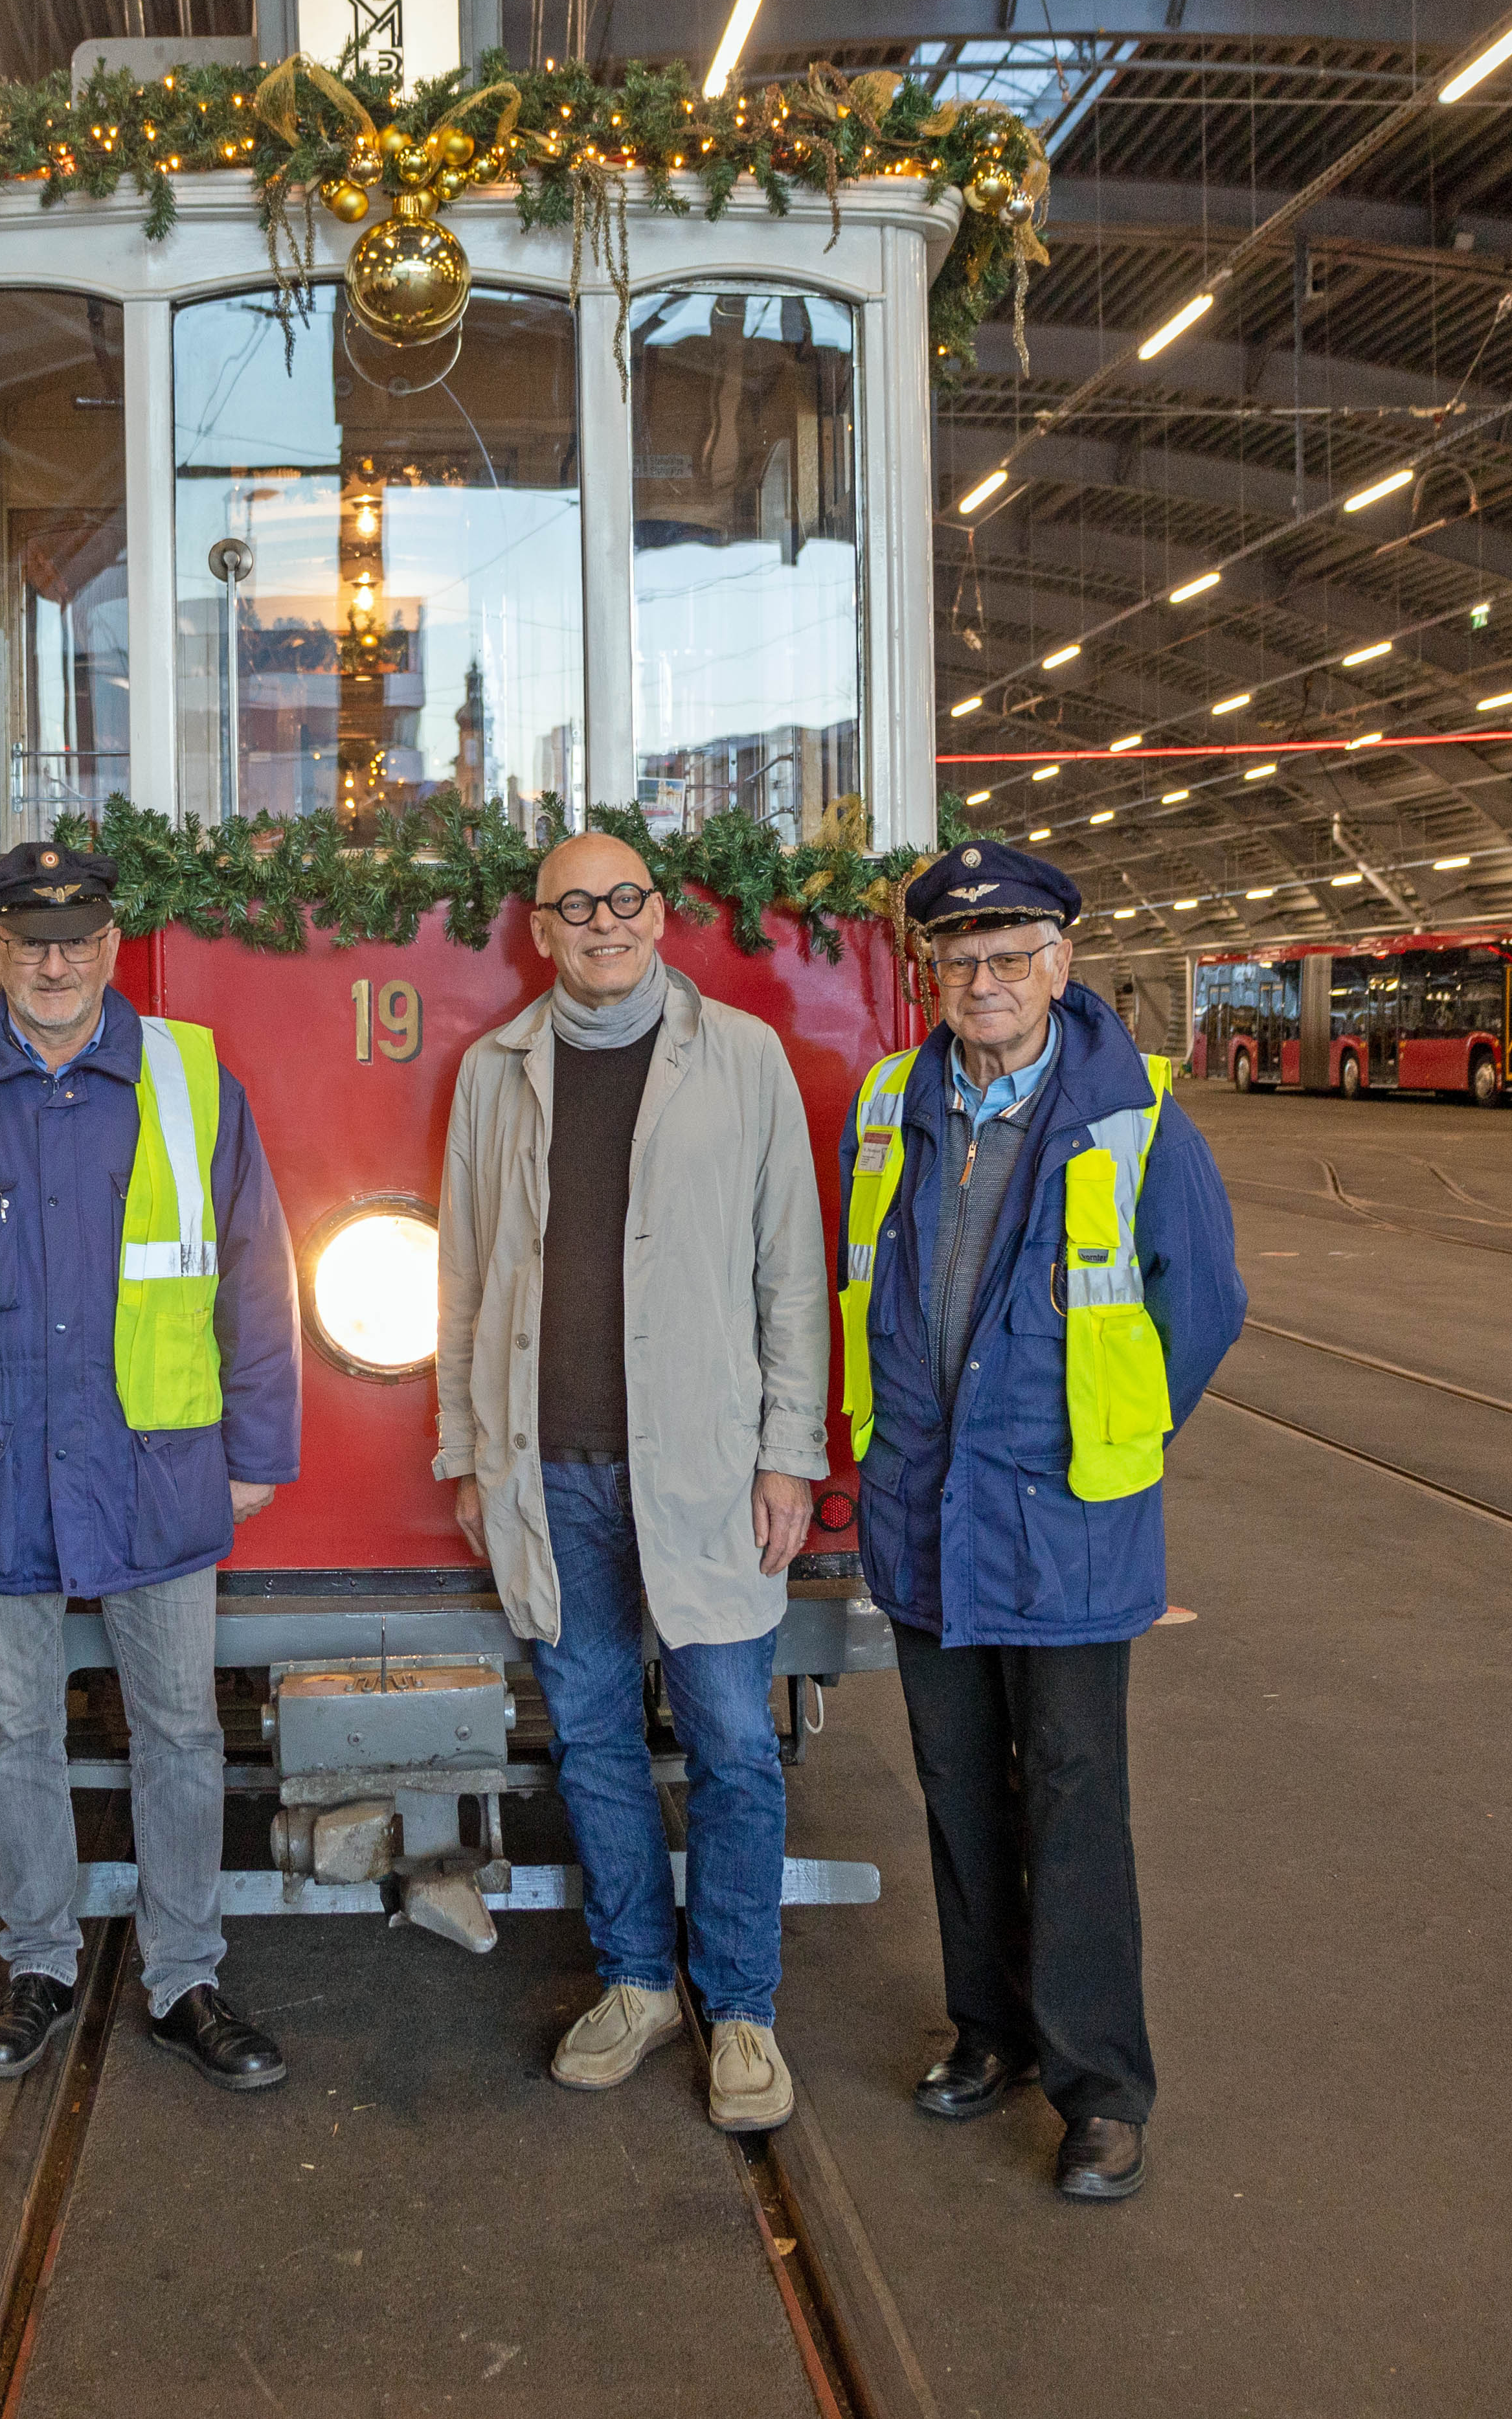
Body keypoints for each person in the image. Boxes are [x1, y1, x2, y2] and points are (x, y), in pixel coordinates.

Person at [837, 843, 1245, 2203]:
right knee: (957, 1784)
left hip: (1064, 1518)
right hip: (924, 1505)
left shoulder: (1134, 1116)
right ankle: (990, 2032)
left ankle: (1101, 2088)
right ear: (931, 975)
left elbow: (1202, 1305)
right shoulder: (890, 1103)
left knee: (1073, 1798)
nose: (985, 981)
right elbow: (865, 1286)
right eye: (959, 959)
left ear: (1060, 964)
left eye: (1011, 956)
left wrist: (1110, 1438)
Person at [0, 843, 302, 2093]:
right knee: (15, 1733)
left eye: (77, 940)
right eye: (29, 941)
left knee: (181, 1731)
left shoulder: (190, 1075)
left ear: (114, 945)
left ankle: (185, 1977)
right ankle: (39, 1966)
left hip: (153, 1463)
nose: (55, 964)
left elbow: (256, 1265)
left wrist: (256, 1449)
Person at [433, 831, 833, 2133]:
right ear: (539, 930)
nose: (603, 921)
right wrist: (464, 1450)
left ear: (660, 916)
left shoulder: (744, 1059)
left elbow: (790, 1268)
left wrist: (790, 1452)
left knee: (732, 1742)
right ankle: (636, 1982)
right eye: (576, 905)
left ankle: (742, 2006)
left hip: (708, 1466)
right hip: (548, 1467)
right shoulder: (495, 1071)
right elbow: (462, 1272)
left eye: (625, 898)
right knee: (595, 1739)